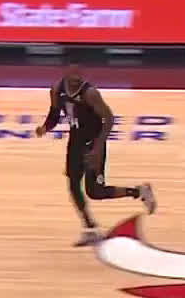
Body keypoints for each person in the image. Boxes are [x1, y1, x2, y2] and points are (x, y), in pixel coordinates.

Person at [34, 65, 157, 246]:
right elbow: (54, 114)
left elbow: (109, 118)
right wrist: (45, 128)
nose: (76, 77)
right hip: (76, 142)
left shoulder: (90, 94)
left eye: (78, 74)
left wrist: (98, 147)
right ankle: (90, 228)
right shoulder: (56, 90)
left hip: (93, 143)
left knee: (95, 191)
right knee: (73, 186)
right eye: (72, 74)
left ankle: (139, 191)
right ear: (66, 74)